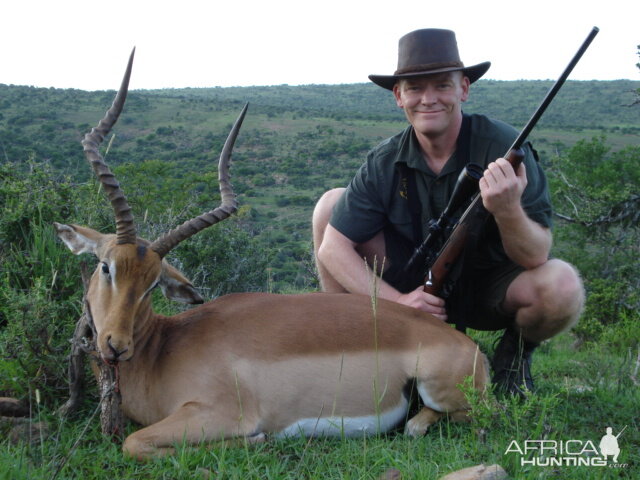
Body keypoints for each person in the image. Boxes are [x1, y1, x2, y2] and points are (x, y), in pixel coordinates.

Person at [312, 28, 584, 396]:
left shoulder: (505, 148)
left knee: (562, 284)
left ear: (464, 89)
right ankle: (352, 352)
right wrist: (400, 302)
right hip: (410, 289)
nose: (428, 99)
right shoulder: (385, 159)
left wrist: (507, 211)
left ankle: (512, 358)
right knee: (330, 206)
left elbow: (535, 254)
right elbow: (332, 249)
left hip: (487, 288)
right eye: (415, 89)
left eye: (442, 85)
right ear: (398, 96)